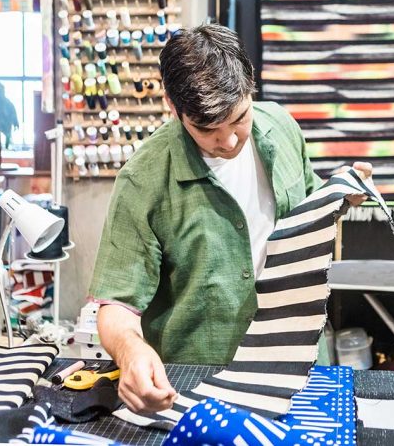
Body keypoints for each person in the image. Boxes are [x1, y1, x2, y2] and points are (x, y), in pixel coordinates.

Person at [87, 24, 372, 414]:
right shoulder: (144, 179)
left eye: (239, 118)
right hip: (199, 382)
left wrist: (342, 194)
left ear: (251, 88)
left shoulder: (282, 128)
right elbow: (116, 303)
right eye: (207, 129)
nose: (230, 141)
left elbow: (309, 204)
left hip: (301, 362)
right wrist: (131, 350)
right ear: (173, 107)